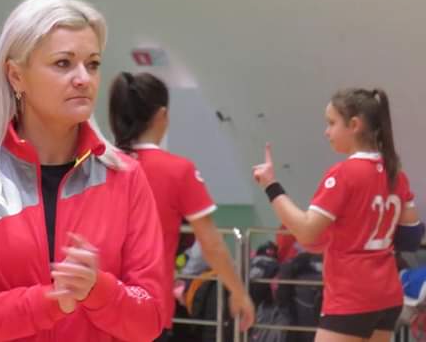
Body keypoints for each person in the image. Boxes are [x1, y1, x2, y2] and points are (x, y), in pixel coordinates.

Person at [0, 0, 166, 341]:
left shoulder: (125, 177)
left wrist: (98, 289)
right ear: (16, 76)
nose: (83, 78)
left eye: (93, 64)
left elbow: (150, 318)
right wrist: (49, 303)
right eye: (63, 63)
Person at [252, 88, 424, 342]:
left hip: (351, 296)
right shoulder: (396, 175)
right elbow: (411, 237)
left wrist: (271, 185)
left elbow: (306, 232)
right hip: (387, 296)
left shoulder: (344, 174)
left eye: (331, 123)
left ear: (354, 125)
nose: (326, 131)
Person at [108, 72, 255, 340]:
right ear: (162, 115)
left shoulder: (99, 165)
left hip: (99, 307)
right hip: (148, 309)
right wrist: (238, 292)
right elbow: (211, 244)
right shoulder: (178, 171)